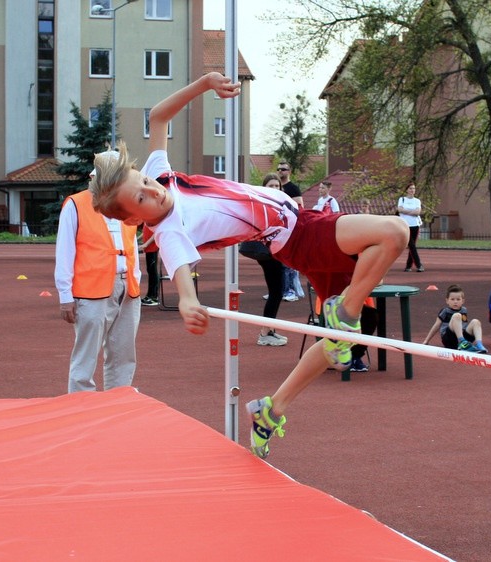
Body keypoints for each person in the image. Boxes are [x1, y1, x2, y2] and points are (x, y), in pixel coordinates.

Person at [88, 71, 409, 458]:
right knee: (394, 232)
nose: (151, 192)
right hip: (299, 235)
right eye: (140, 199)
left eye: (144, 183)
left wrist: (206, 83)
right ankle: (346, 310)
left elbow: (157, 117)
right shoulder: (170, 232)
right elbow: (180, 275)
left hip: (297, 234)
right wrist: (188, 303)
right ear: (132, 219)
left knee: (339, 341)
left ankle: (271, 410)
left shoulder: (161, 175)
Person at [54, 180, 142, 393]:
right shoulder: (76, 204)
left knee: (123, 351)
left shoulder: (126, 202)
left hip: (127, 287)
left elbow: (132, 245)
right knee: (86, 353)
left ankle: (118, 398)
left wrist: (136, 279)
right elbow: (64, 250)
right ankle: (82, 403)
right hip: (92, 289)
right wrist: (65, 295)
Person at [246, 173, 288, 346]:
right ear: (264, 187)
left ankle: (269, 329)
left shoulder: (279, 204)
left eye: (277, 186)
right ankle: (265, 332)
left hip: (274, 251)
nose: (274, 189)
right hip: (269, 252)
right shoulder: (265, 204)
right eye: (271, 186)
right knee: (276, 291)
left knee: (276, 291)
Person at [422, 284, 488, 353]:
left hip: (463, 336)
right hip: (449, 339)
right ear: (447, 301)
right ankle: (461, 342)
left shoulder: (464, 310)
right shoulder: (445, 311)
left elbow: (464, 326)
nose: (455, 302)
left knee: (476, 321)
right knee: (457, 315)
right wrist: (426, 340)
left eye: (458, 299)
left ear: (463, 301)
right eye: (452, 299)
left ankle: (479, 345)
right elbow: (436, 325)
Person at [277, 162, 303, 302]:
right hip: (278, 229)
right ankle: (279, 290)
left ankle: (291, 290)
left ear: (289, 171)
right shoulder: (277, 187)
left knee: (288, 263)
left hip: (290, 230)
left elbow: (299, 208)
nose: (280, 171)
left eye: (283, 169)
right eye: (279, 169)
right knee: (278, 263)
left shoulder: (293, 189)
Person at [397, 182, 424, 272]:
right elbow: (400, 209)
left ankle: (408, 266)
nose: (412, 190)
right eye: (410, 188)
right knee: (411, 245)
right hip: (404, 225)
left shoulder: (417, 201)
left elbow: (417, 212)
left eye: (413, 188)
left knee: (412, 246)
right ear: (407, 190)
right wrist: (411, 211)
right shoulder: (402, 199)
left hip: (415, 225)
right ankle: (419, 265)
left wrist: (406, 211)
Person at [139, 224, 159, 306]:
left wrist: (146, 244)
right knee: (150, 270)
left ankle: (154, 297)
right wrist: (137, 239)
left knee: (152, 271)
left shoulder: (152, 220)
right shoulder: (147, 221)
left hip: (152, 248)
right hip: (148, 248)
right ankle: (149, 295)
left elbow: (157, 232)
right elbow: (145, 232)